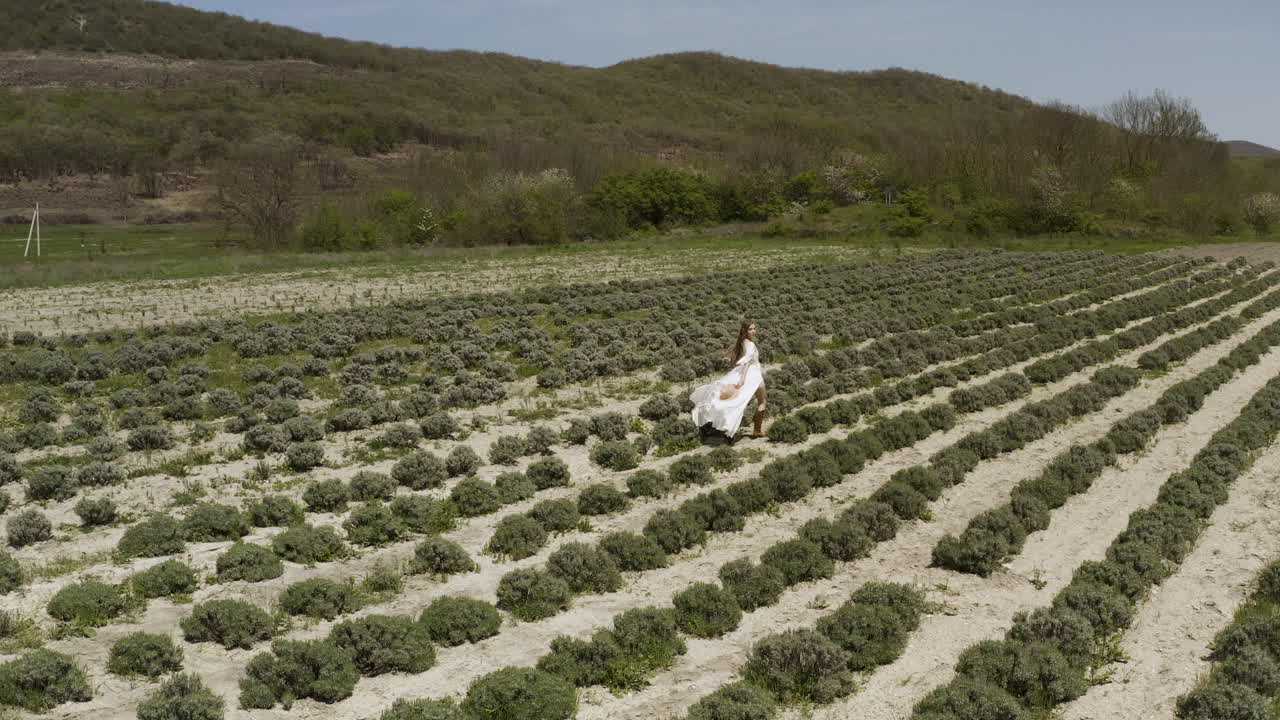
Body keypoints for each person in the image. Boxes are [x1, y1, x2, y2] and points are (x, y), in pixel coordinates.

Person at [689, 319, 767, 439]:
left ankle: (754, 430)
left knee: (743, 400)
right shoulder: (750, 344)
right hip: (752, 375)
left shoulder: (744, 341)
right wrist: (742, 380)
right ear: (745, 331)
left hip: (748, 373)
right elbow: (746, 361)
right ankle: (757, 431)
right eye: (750, 329)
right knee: (761, 402)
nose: (753, 331)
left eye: (754, 328)